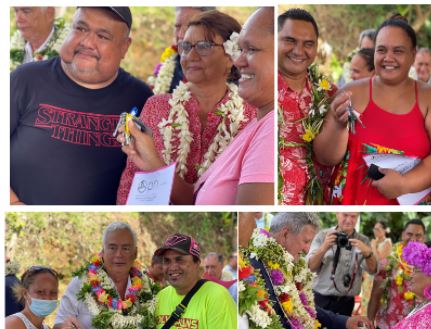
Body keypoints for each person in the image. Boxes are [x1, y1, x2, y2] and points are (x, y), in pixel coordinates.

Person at [11, 7, 153, 205]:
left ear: (124, 47)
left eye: (103, 36)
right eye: (80, 28)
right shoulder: (25, 79)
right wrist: (13, 203)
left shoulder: (141, 98)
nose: (87, 42)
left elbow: (150, 176)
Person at [116, 10, 258, 205]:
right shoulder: (157, 106)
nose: (190, 55)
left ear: (231, 55)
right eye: (185, 46)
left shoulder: (251, 116)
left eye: (203, 46)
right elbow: (132, 179)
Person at [315, 15, 431, 205]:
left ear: (413, 55)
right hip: (352, 200)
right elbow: (325, 157)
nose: (388, 58)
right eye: (381, 50)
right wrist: (338, 126)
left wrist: (405, 183)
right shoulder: (350, 93)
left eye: (398, 51)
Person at [241, 212, 372, 329]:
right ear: (286, 233)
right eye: (306, 241)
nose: (306, 249)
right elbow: (253, 327)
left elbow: (301, 307)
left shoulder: (290, 263)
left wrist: (346, 321)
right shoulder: (253, 265)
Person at [54, 222, 157, 329]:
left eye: (126, 248)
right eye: (112, 247)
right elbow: (57, 328)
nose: (119, 255)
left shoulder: (147, 289)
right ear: (102, 252)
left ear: (135, 253)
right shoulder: (81, 284)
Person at [145, 233, 237, 329]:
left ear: (196, 263)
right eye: (167, 261)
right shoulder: (161, 297)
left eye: (180, 259)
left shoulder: (216, 296)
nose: (172, 267)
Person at [304, 212, 378, 329]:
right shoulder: (323, 235)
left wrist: (368, 253)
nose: (349, 220)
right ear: (337, 214)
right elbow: (311, 268)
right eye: (345, 215)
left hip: (345, 302)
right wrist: (324, 247)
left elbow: (373, 270)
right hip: (319, 300)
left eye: (354, 216)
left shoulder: (363, 240)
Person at [278, 8, 337, 205]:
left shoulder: (329, 93)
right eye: (290, 40)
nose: (298, 51)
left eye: (308, 44)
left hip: (318, 202)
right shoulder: (259, 90)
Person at [368, 219, 425, 329]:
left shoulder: (428, 264)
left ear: (423, 238)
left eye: (418, 235)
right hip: (387, 327)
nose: (413, 239)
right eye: (409, 234)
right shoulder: (388, 261)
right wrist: (369, 326)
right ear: (403, 234)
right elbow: (375, 295)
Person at [149, 7, 216, 94]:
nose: (181, 35)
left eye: (190, 27)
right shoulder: (168, 67)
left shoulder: (225, 71)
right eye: (177, 26)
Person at [361, 220, 392, 314]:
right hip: (368, 276)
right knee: (365, 299)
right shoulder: (374, 241)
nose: (375, 231)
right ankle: (363, 323)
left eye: (378, 229)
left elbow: (380, 261)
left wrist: (373, 247)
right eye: (374, 229)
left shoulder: (387, 242)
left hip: (379, 276)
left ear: (384, 230)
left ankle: (371, 324)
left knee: (374, 300)